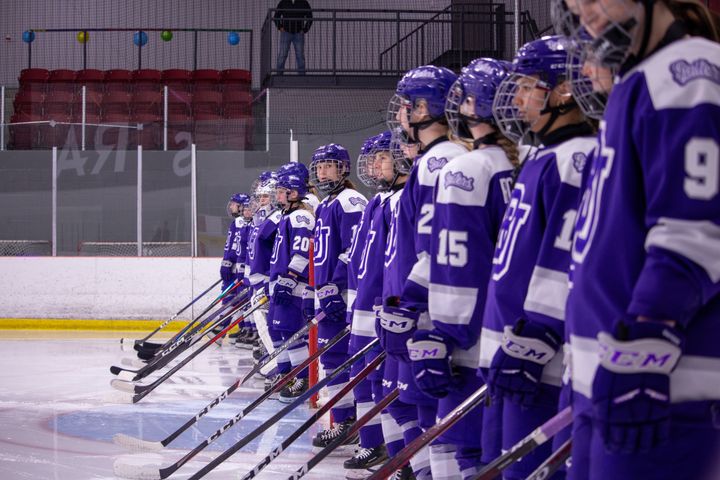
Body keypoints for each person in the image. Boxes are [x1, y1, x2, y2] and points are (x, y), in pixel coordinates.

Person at [557, 0, 720, 479]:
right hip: (608, 380)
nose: (584, 11)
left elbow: (697, 229)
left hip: (660, 385)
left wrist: (649, 333)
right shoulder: (637, 81)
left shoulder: (689, 70)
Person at [478, 35, 597, 480]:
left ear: (563, 91)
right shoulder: (543, 158)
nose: (519, 97)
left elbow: (566, 255)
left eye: (529, 85)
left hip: (543, 358)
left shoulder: (577, 158)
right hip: (511, 345)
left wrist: (538, 333)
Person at [406, 57, 516, 480]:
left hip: (472, 342)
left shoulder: (466, 169)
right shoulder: (522, 163)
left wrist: (441, 332)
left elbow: (453, 258)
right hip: (521, 334)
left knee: (461, 443)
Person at [381, 64, 468, 479]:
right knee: (431, 415)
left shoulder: (440, 162)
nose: (399, 115)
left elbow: (435, 249)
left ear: (423, 109)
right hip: (428, 312)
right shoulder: (436, 161)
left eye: (404, 106)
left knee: (443, 422)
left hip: (435, 316)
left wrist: (412, 307)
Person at [308, 143, 368, 450]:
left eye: (328, 166)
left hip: (347, 296)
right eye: (318, 167)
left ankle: (355, 420)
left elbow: (355, 249)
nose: (322, 172)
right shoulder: (325, 204)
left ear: (343, 168)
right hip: (328, 294)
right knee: (332, 361)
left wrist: (335, 285)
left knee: (349, 361)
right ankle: (344, 419)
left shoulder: (351, 200)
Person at [269, 171, 315, 402]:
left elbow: (302, 251)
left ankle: (304, 377)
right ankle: (293, 374)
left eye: (280, 192)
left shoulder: (300, 217)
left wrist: (290, 277)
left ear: (294, 193)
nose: (276, 196)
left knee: (291, 332)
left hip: (295, 284)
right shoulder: (287, 216)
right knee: (283, 331)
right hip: (284, 281)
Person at [274, 0, 313, 75]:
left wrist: (304, 30)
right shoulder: (283, 2)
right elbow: (276, 16)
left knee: (300, 55)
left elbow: (310, 17)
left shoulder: (304, 2)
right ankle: (278, 75)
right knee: (282, 54)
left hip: (298, 32)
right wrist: (280, 27)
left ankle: (302, 76)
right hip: (286, 32)